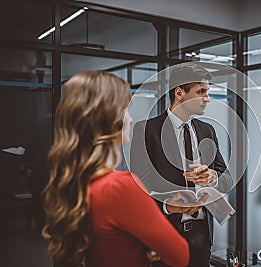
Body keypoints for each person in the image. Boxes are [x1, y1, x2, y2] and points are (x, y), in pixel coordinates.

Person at [41, 70, 189, 267]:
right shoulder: (119, 187)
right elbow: (180, 255)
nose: (130, 119)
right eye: (125, 109)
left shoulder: (72, 180)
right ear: (108, 118)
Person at [131, 62, 234, 267]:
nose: (207, 98)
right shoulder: (146, 130)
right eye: (201, 91)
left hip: (202, 235)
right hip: (164, 233)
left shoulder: (208, 130)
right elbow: (139, 188)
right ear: (180, 93)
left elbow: (226, 177)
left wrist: (213, 176)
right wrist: (168, 207)